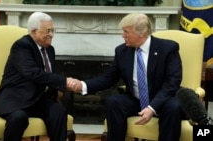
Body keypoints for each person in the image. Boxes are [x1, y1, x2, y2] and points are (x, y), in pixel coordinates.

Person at [69, 13, 188, 141]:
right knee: (114, 102)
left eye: (126, 32)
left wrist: (152, 107)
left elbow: (172, 82)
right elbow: (108, 78)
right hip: (136, 100)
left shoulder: (168, 48)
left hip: (163, 100)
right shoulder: (122, 51)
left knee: (173, 107)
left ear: (141, 33)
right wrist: (83, 85)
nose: (122, 35)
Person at [0, 12, 76, 141]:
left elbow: (50, 74)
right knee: (19, 117)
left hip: (38, 99)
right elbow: (33, 73)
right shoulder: (22, 46)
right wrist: (65, 81)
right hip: (16, 99)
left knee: (58, 112)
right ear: (34, 32)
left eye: (53, 30)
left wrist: (59, 90)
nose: (51, 34)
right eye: (48, 31)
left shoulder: (49, 49)